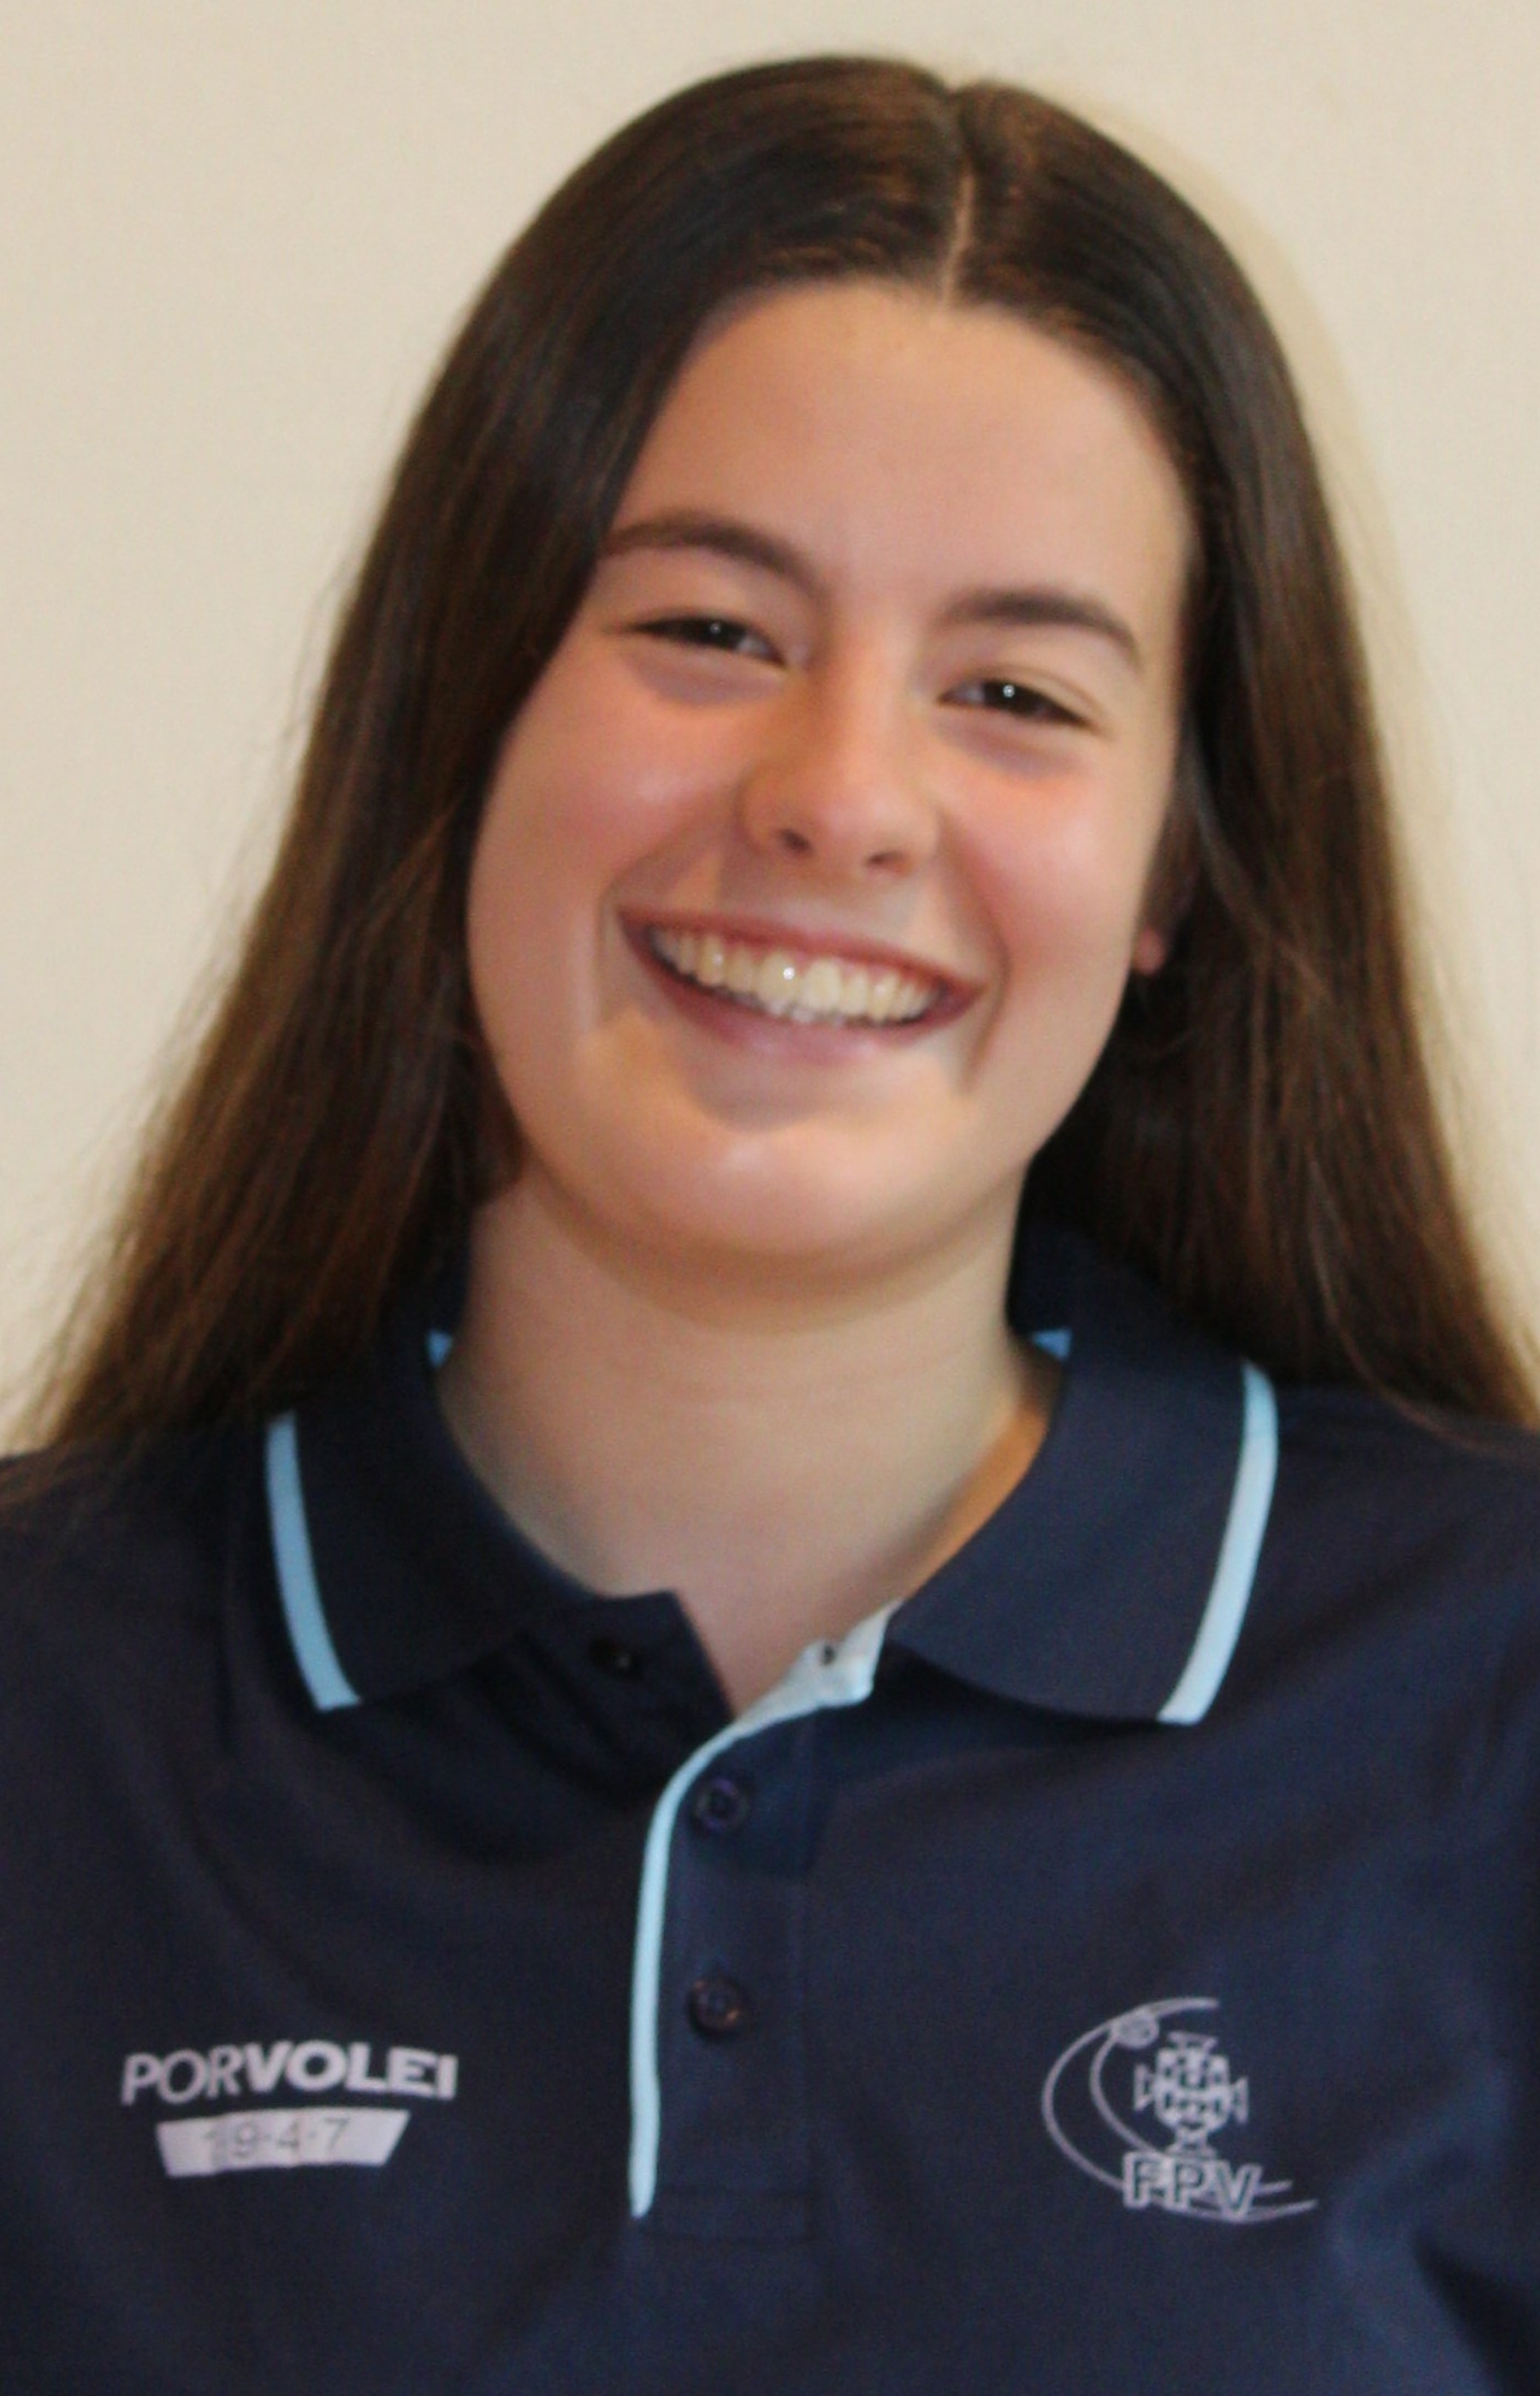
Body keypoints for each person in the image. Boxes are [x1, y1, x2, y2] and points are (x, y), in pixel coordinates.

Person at [3, 52, 1537, 2396]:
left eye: (1016, 690)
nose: (841, 799)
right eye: (714, 631)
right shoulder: (54, 1715)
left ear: (1176, 874)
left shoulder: (1489, 1696)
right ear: (460, 712)